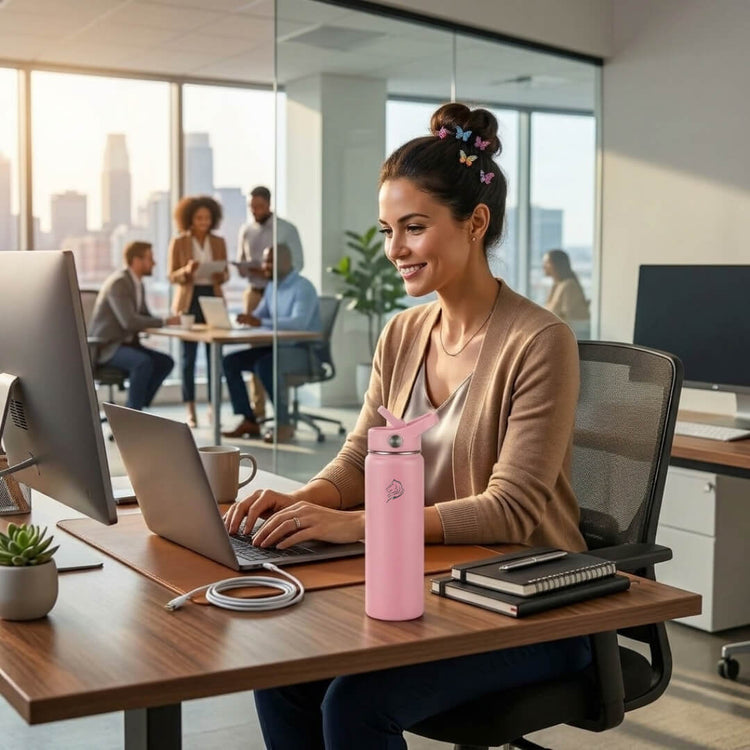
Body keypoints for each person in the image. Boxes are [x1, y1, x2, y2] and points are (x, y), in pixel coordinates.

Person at [223, 103, 591, 749]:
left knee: (358, 703)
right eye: (388, 229)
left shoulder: (539, 340)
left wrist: (360, 524)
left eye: (413, 228)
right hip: (433, 581)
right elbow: (362, 455)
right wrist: (302, 501)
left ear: (475, 222)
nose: (394, 250)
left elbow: (512, 510)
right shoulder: (403, 331)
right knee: (280, 673)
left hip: (535, 602)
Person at [222, 243, 320, 444]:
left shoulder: (303, 287)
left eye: (269, 261)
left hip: (302, 351)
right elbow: (260, 315)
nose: (264, 265)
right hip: (276, 347)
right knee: (230, 362)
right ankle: (249, 420)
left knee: (265, 365)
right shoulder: (271, 286)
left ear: (286, 262)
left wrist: (262, 322)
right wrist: (246, 319)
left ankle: (284, 424)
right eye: (265, 260)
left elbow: (298, 323)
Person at [236, 186, 304, 420]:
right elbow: (241, 264)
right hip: (255, 293)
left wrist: (270, 271)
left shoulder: (285, 229)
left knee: (275, 352)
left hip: (280, 292)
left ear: (269, 203)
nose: (255, 211)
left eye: (259, 206)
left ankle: (281, 413)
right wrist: (252, 269)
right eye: (251, 207)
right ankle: (258, 411)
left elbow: (297, 263)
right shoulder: (246, 231)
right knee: (254, 350)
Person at [88, 241, 179, 411]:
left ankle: (137, 407)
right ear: (136, 261)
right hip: (108, 347)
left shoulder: (137, 283)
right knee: (142, 363)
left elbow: (144, 315)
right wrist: (163, 321)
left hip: (128, 344)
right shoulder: (119, 283)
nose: (154, 263)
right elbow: (128, 321)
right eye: (150, 258)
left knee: (166, 362)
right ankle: (133, 413)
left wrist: (170, 320)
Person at [168, 195, 229, 428]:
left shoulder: (218, 241)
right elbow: (171, 275)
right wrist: (186, 270)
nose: (204, 221)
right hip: (189, 299)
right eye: (199, 218)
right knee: (188, 359)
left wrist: (219, 275)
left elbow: (225, 274)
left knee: (215, 357)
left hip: (212, 297)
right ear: (189, 219)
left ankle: (214, 408)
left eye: (207, 217)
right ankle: (190, 409)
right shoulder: (180, 242)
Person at [543, 248, 590, 338]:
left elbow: (570, 319)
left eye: (547, 262)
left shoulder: (569, 286)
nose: (544, 266)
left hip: (566, 338)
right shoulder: (557, 285)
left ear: (556, 265)